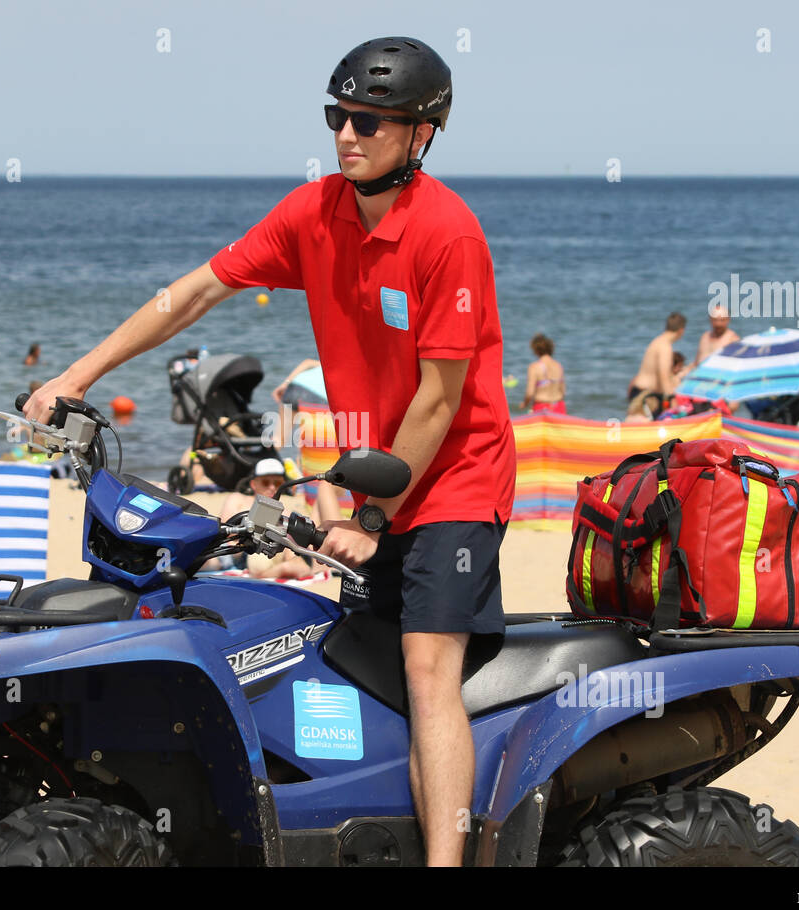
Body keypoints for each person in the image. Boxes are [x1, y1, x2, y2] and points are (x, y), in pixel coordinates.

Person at [26, 37, 515, 866]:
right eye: (337, 114)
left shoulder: (447, 235)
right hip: (378, 478)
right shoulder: (316, 213)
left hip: (453, 482)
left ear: (421, 134)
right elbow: (195, 293)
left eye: (368, 119)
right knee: (353, 662)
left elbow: (439, 400)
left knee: (427, 670)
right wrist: (78, 375)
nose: (346, 133)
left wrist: (371, 513)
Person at [627, 311, 686, 420]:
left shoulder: (657, 341)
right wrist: (673, 402)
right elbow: (663, 377)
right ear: (681, 330)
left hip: (639, 393)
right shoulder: (665, 347)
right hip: (646, 398)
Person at [519, 333, 565, 412]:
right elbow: (563, 391)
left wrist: (524, 404)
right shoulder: (558, 366)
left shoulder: (534, 367)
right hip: (559, 407)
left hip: (542, 409)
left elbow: (530, 393)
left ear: (535, 350)